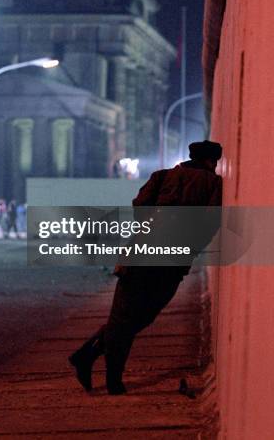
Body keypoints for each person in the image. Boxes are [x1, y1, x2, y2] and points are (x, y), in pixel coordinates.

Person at [69, 140, 223, 395]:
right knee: (141, 317)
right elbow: (210, 223)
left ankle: (91, 358)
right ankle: (107, 376)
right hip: (171, 263)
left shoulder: (162, 176)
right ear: (211, 162)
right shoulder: (213, 184)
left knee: (122, 317)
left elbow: (139, 206)